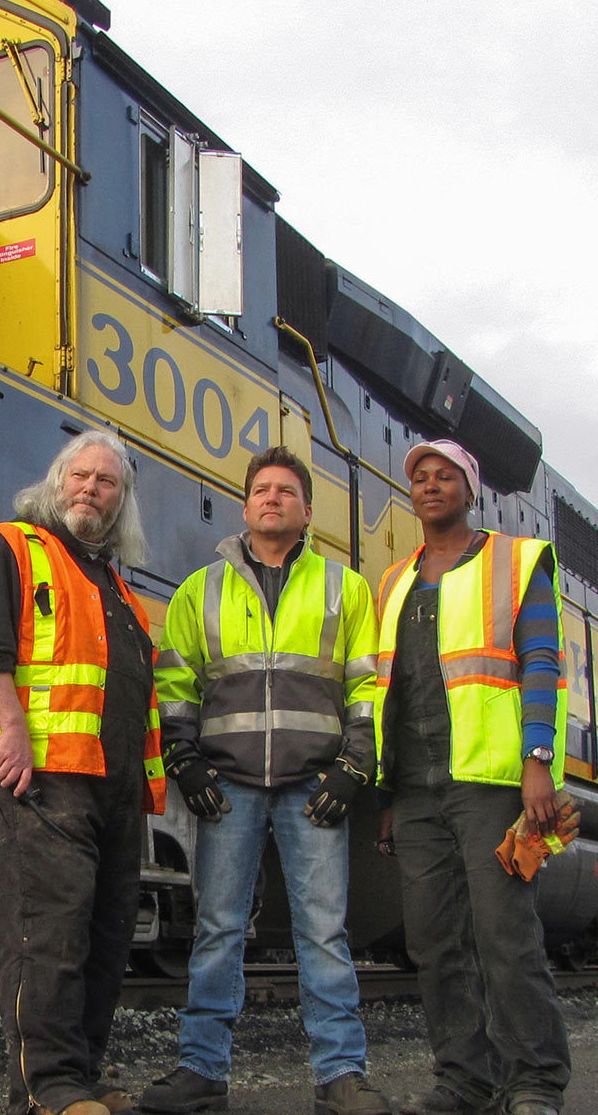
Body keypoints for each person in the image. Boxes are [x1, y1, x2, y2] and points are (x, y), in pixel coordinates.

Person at [140, 446, 391, 1115]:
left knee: (323, 932)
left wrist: (355, 763)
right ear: (245, 505)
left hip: (316, 784)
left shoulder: (347, 588)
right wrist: (184, 758)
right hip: (228, 783)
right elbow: (174, 682)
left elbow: (367, 683)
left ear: (308, 509)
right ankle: (200, 1070)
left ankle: (341, 1075)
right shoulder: (200, 590)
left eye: (286, 490)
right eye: (261, 489)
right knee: (218, 926)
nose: (272, 498)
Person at [0, 429, 168, 1115]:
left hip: (113, 791)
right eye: (80, 476)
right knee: (49, 936)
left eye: (106, 483)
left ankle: (82, 1073)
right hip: (39, 780)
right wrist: (12, 727)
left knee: (103, 942)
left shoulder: (118, 594)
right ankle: (46, 1087)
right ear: (55, 482)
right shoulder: (5, 547)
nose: (90, 490)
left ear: (120, 501)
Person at [372, 439, 571, 1115]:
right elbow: (393, 689)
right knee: (433, 941)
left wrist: (536, 763)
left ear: (471, 488)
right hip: (418, 788)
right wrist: (392, 791)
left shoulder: (516, 564)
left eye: (445, 476)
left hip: (490, 782)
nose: (431, 485)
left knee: (504, 935)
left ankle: (536, 1081)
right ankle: (465, 1079)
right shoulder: (395, 581)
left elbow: (542, 659)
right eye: (420, 477)